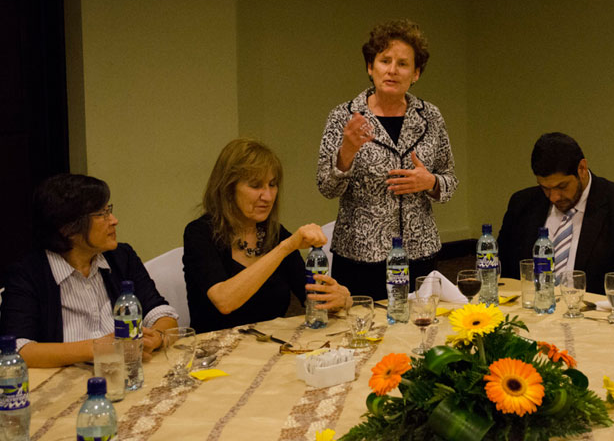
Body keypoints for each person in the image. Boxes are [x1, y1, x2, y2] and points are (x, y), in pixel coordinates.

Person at [316, 19, 458, 300]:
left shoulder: (430, 117)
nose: (392, 70)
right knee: (362, 334)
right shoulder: (344, 116)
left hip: (419, 252)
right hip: (360, 255)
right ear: (371, 67)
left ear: (416, 73)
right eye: (385, 61)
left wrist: (430, 181)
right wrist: (346, 152)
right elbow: (326, 187)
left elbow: (450, 180)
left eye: (403, 64)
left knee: (420, 333)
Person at [0, 174, 178, 368]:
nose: (114, 220)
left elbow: (160, 312)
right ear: (68, 227)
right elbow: (20, 350)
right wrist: (99, 348)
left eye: (109, 210)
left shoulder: (121, 257)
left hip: (128, 371)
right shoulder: (28, 273)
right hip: (66, 381)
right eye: (101, 214)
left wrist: (158, 336)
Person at [183, 138, 351, 334]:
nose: (268, 196)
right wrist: (285, 248)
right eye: (255, 186)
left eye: (272, 185)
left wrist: (342, 298)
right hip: (213, 355)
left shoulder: (275, 234)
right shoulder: (200, 233)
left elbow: (312, 298)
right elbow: (225, 301)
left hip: (269, 348)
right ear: (228, 189)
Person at [498, 132, 614, 298]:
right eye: (545, 188)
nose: (553, 197)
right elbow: (503, 273)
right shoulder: (522, 204)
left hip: (594, 318)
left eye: (562, 186)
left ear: (581, 168)